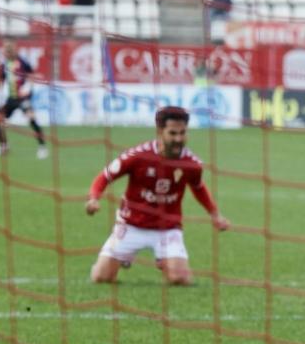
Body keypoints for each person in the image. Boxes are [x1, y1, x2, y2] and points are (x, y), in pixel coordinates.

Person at [85, 106, 230, 284]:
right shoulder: (137, 156)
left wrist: (215, 214)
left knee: (180, 279)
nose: (178, 139)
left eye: (183, 133)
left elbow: (198, 188)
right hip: (131, 225)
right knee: (101, 278)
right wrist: (94, 198)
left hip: (168, 228)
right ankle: (125, 256)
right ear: (160, 131)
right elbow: (105, 176)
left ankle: (164, 258)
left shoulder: (192, 164)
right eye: (173, 133)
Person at [0, 40, 48, 159]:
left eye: (8, 51)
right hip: (11, 99)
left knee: (31, 119)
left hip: (23, 99)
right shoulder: (3, 66)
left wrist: (28, 87)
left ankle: (42, 147)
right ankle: (4, 146)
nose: (5, 54)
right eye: (4, 52)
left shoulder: (23, 62)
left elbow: (32, 77)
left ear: (13, 51)